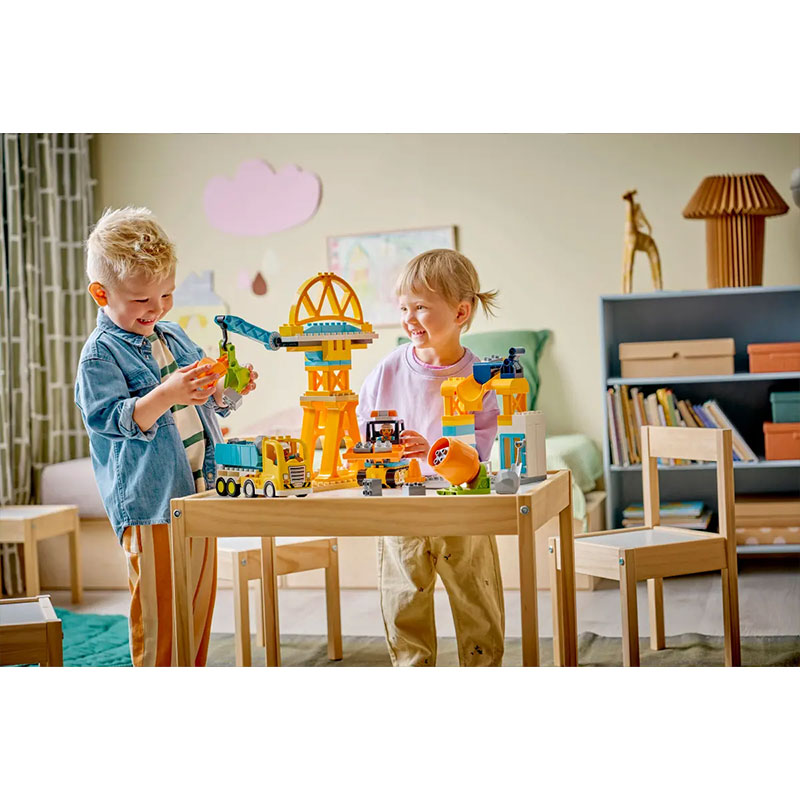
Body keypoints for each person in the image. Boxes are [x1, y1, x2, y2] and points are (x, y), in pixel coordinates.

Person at [74, 207, 258, 666]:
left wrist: (228, 389)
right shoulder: (100, 355)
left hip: (199, 488)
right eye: (141, 300)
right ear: (101, 293)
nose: (156, 309)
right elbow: (109, 419)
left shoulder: (171, 335)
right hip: (151, 503)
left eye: (166, 295)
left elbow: (207, 398)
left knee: (196, 605)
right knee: (160, 614)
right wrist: (166, 393)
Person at [357, 249, 503, 666]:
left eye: (421, 307)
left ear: (460, 312)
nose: (409, 318)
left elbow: (483, 442)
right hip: (402, 505)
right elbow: (365, 422)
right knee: (404, 602)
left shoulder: (479, 376)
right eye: (404, 307)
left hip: (461, 506)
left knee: (476, 599)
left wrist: (437, 453)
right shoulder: (387, 369)